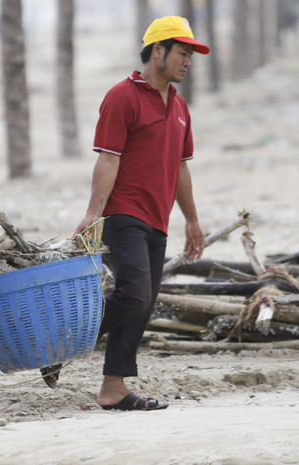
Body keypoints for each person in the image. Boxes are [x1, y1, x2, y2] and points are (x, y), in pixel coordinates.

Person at [68, 16, 208, 410]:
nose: (188, 62)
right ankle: (62, 345)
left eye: (191, 55)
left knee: (143, 303)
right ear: (158, 50)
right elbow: (108, 160)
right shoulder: (121, 97)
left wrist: (192, 220)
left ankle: (113, 389)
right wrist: (93, 213)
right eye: (183, 53)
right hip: (123, 213)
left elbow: (180, 167)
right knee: (134, 295)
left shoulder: (179, 106)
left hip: (157, 218)